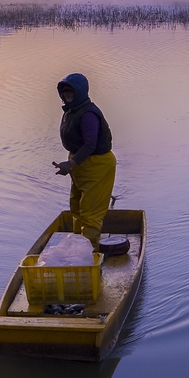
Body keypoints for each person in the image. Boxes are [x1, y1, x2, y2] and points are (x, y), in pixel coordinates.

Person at [52, 73, 116, 249]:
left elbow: (89, 145)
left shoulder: (88, 114)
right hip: (79, 164)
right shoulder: (71, 111)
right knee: (76, 207)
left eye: (71, 93)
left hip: (98, 164)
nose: (67, 96)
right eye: (65, 93)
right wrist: (70, 164)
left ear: (80, 93)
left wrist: (70, 165)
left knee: (90, 213)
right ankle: (77, 247)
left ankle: (89, 254)